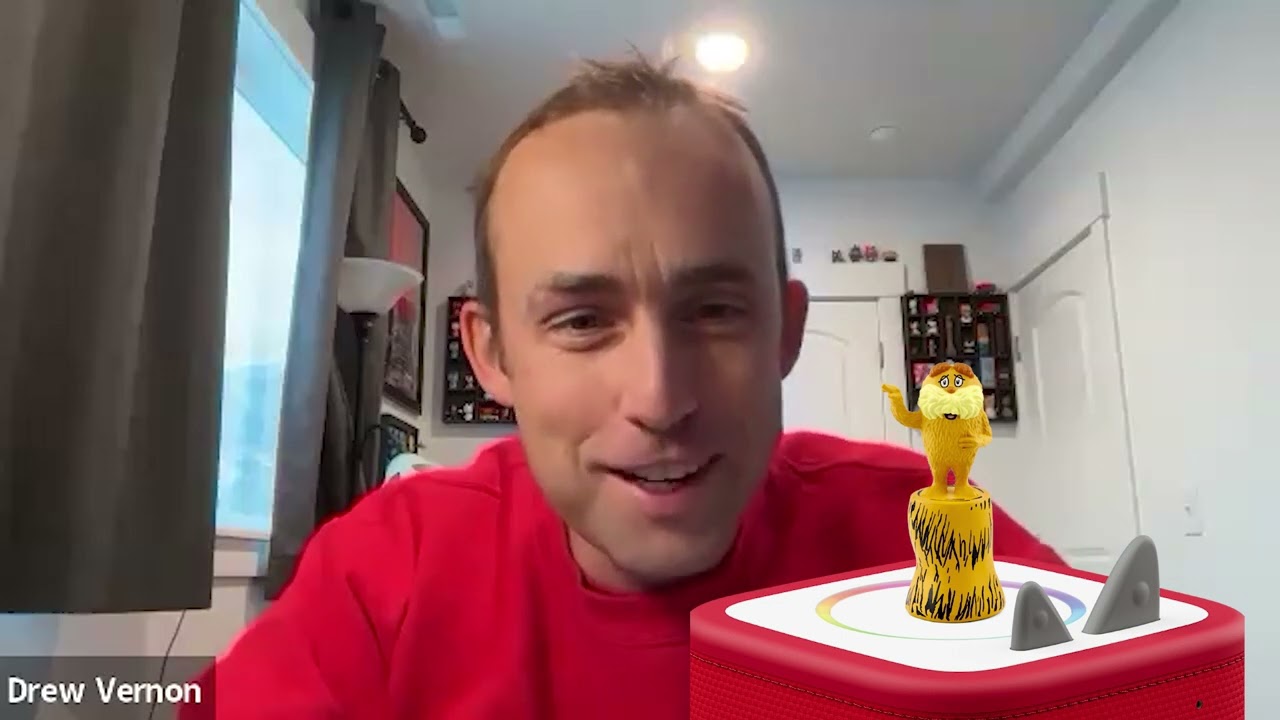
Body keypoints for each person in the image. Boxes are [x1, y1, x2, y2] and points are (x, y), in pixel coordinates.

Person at [186, 56, 1062, 719]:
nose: (659, 397)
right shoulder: (388, 573)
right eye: (581, 321)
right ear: (491, 356)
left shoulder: (923, 537)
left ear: (786, 332)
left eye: (714, 311)